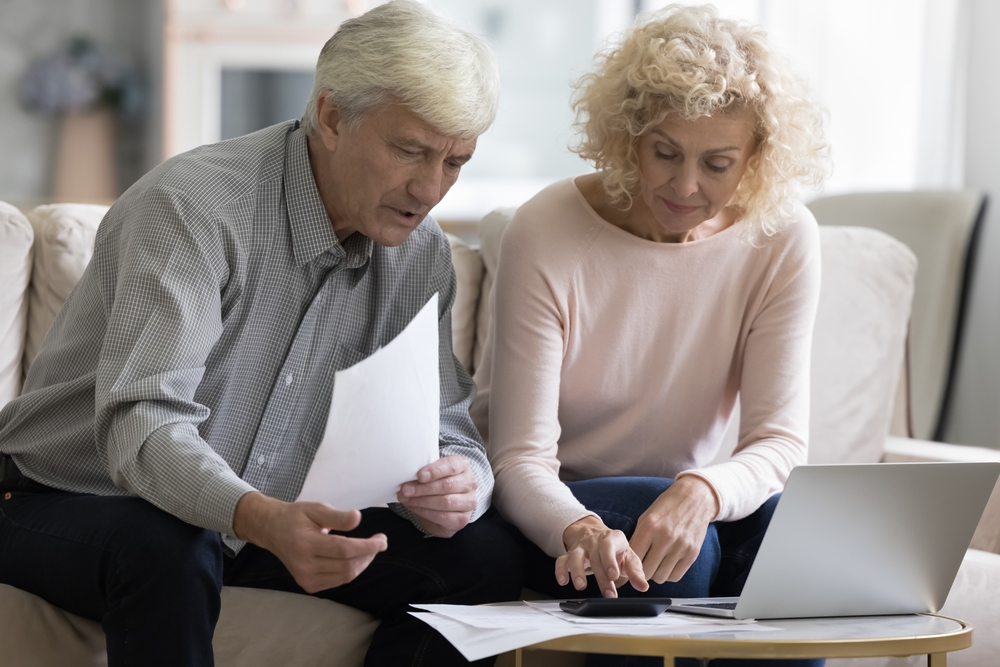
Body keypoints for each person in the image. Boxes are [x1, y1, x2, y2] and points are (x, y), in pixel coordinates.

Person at [0, 2, 522, 665]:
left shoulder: (420, 255)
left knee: (487, 556)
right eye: (410, 150)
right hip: (69, 499)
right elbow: (145, 422)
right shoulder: (194, 209)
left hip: (257, 522)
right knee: (168, 541)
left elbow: (446, 420)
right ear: (332, 116)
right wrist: (259, 517)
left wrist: (464, 482)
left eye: (456, 162)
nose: (431, 188)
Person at [472, 5, 828, 666]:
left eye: (718, 164)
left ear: (755, 159)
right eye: (665, 153)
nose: (686, 185)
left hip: (681, 500)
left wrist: (702, 490)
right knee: (663, 541)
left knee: (793, 539)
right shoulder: (548, 228)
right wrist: (580, 525)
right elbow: (518, 459)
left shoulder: (782, 239)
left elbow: (778, 441)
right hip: (560, 508)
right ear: (628, 136)